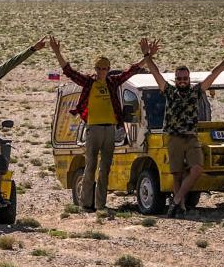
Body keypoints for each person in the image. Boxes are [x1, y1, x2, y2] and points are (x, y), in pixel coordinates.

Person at [49, 37, 149, 212]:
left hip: (110, 129)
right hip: (93, 129)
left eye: (105, 68)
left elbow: (132, 71)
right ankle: (86, 204)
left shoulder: (112, 82)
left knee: (105, 168)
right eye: (99, 68)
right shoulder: (89, 82)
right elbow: (69, 71)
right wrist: (57, 52)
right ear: (95, 69)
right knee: (90, 166)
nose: (102, 71)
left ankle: (100, 204)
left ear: (108, 69)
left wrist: (147, 56)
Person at [142, 38, 224, 217]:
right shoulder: (169, 91)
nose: (182, 81)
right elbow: (155, 73)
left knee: (197, 169)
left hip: (192, 137)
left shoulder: (196, 92)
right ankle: (180, 208)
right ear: (175, 79)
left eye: (185, 78)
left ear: (189, 79)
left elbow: (213, 74)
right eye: (179, 79)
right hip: (174, 137)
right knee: (177, 174)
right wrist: (147, 56)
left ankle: (176, 200)